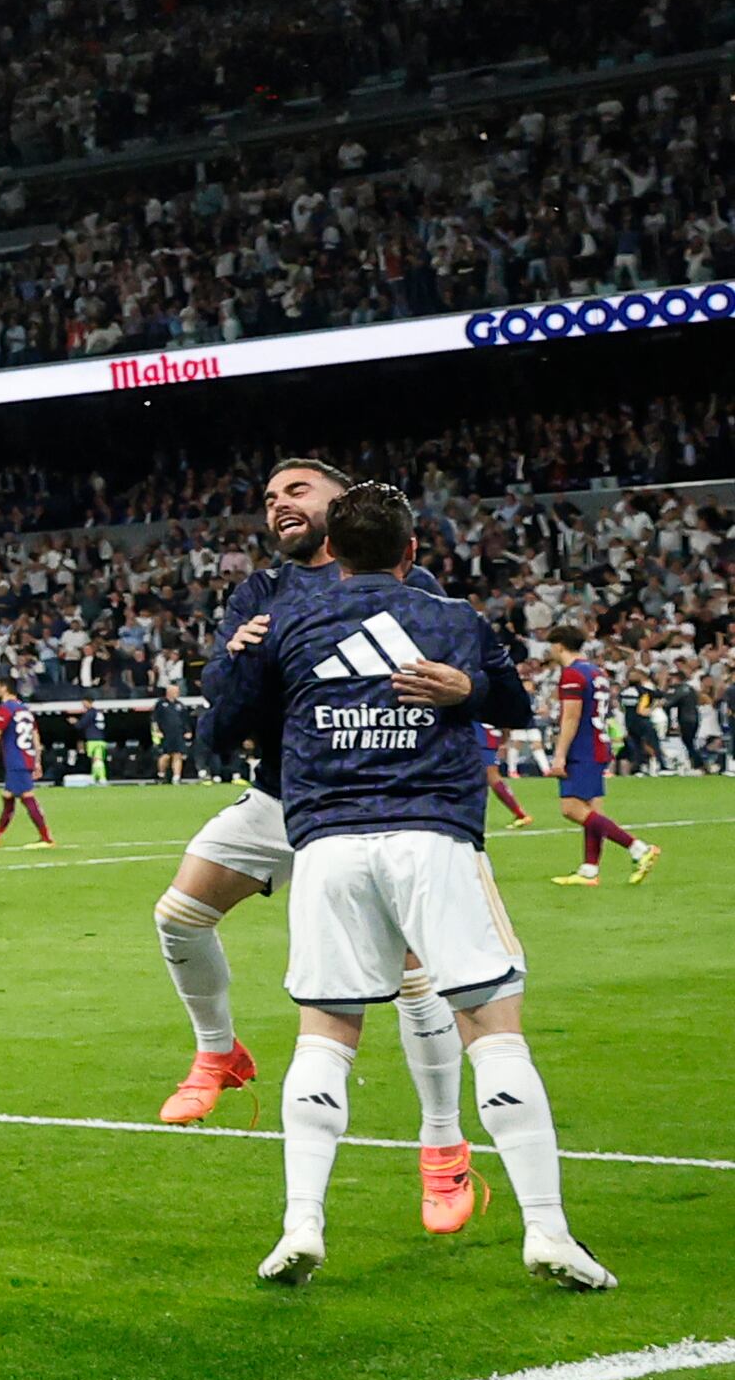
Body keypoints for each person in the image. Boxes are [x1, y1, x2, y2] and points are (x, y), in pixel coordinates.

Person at [202, 485, 603, 1292]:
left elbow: (219, 730)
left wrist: (242, 658)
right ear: (412, 551)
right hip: (432, 836)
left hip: (327, 847)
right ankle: (548, 1230)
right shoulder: (454, 618)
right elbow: (517, 707)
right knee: (491, 1027)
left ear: (334, 555)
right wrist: (463, 693)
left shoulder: (286, 621)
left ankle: (300, 1224)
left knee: (324, 1032)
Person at [151, 458, 486, 1236]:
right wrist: (236, 656)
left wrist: (456, 689)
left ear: (345, 505)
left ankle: (442, 1145)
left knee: (413, 978)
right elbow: (225, 697)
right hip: (283, 794)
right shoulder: (261, 593)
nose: (278, 506)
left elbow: (460, 675)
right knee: (178, 914)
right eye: (269, 498)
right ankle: (219, 1054)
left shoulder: (412, 583)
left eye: (297, 490)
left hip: (375, 802)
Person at [541, 625, 661, 887]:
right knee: (592, 811)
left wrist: (559, 755)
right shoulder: (597, 672)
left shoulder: (572, 674)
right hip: (599, 743)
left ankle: (639, 848)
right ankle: (589, 870)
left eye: (551, 644)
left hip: (582, 746)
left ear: (559, 645)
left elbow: (571, 716)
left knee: (571, 808)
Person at [0, 688, 54, 848]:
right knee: (8, 796)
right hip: (24, 758)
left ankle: (46, 838)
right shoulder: (25, 710)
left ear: (4, 688)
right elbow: (35, 738)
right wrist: (37, 761)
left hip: (16, 760)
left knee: (27, 797)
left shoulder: (6, 708)